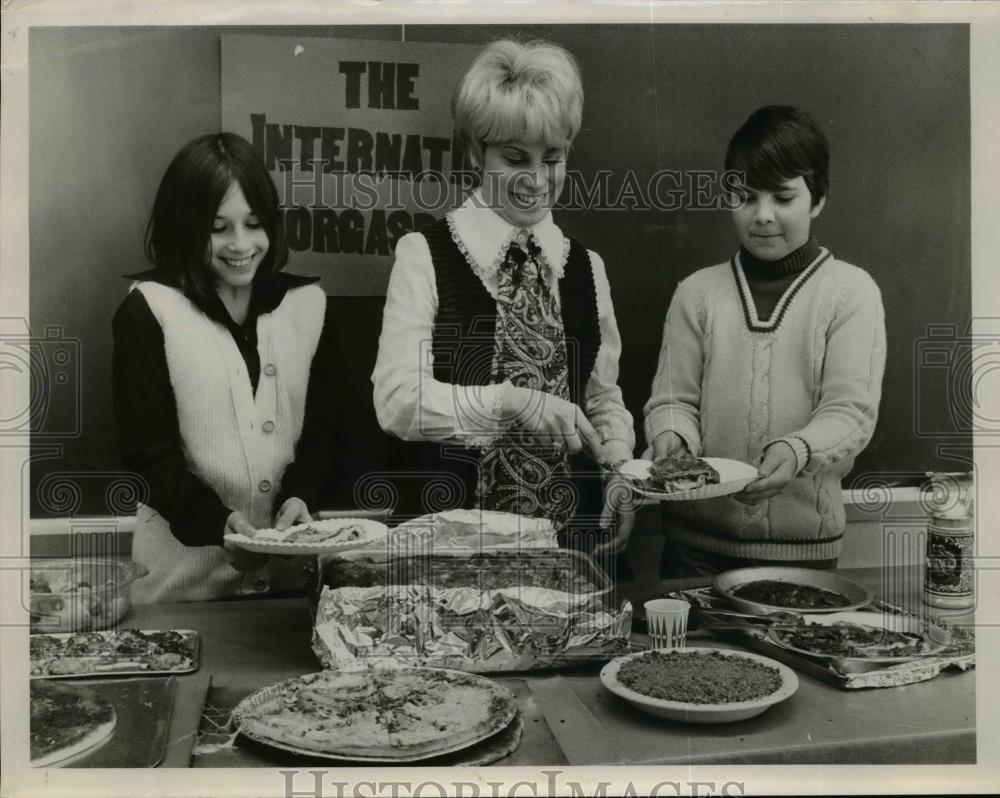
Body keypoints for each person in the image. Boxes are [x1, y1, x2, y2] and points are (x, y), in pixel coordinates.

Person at [372, 39, 636, 567]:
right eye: (515, 158)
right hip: (454, 560)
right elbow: (398, 402)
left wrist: (620, 473)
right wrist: (512, 402)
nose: (536, 180)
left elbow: (602, 399)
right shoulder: (424, 254)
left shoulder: (587, 267)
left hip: (575, 557)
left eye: (553, 158)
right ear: (475, 152)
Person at [644, 105, 887, 577]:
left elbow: (849, 412)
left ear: (817, 200)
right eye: (746, 197)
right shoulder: (696, 293)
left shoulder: (850, 292)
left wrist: (796, 450)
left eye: (782, 197)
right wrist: (671, 439)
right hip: (691, 550)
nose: (762, 216)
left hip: (803, 557)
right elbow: (672, 400)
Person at [112, 132, 343, 602]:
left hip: (291, 593)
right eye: (219, 228)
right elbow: (148, 456)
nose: (241, 244)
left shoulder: (309, 306)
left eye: (253, 224)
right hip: (181, 592)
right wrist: (216, 525)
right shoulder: (149, 309)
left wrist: (302, 496)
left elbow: (329, 431)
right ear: (186, 227)